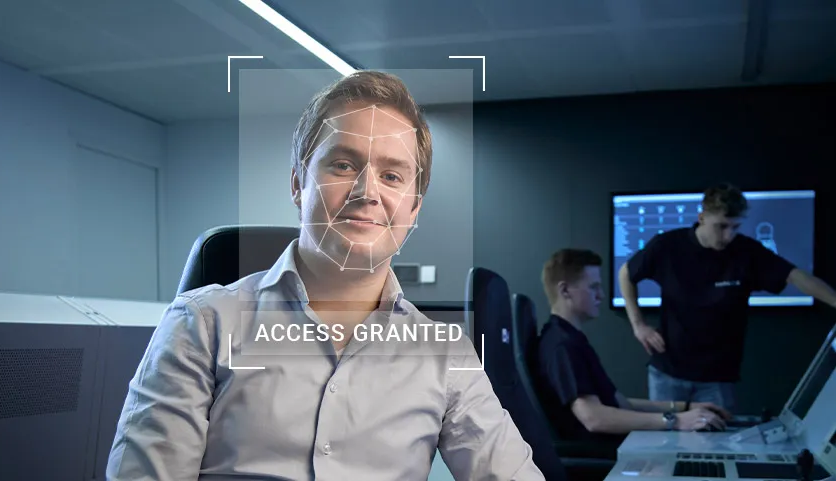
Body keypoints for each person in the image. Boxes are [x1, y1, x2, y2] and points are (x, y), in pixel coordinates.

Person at [105, 71, 545, 480]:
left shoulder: (446, 355)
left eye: (392, 176)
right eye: (343, 165)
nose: (367, 192)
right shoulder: (202, 323)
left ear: (413, 210)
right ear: (298, 183)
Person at [618, 183, 836, 412]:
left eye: (735, 227)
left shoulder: (747, 252)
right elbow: (626, 273)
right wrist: (638, 325)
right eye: (721, 226)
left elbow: (796, 276)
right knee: (666, 442)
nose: (728, 236)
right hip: (668, 371)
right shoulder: (667, 246)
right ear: (702, 217)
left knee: (717, 443)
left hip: (718, 377)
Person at [535, 248, 732, 443]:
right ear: (564, 290)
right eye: (593, 287)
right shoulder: (561, 345)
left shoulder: (572, 339)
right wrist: (675, 421)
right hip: (606, 460)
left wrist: (686, 407)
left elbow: (622, 403)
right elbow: (593, 418)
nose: (601, 295)